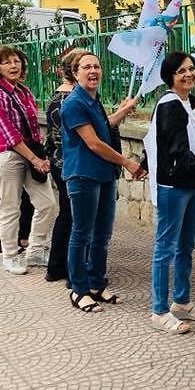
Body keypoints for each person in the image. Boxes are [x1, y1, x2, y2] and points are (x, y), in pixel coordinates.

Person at [60, 51, 140, 312]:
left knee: (102, 234)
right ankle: (78, 289)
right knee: (82, 232)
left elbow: (105, 126)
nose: (93, 71)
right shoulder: (73, 103)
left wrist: (124, 110)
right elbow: (93, 143)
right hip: (83, 175)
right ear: (75, 73)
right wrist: (127, 162)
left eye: (96, 66)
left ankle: (96, 283)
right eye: (86, 67)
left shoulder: (93, 101)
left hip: (104, 175)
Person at [143, 52, 195, 334]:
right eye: (182, 70)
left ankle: (181, 301)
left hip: (189, 184)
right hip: (174, 186)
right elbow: (177, 150)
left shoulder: (186, 104)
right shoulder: (170, 105)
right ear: (170, 76)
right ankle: (159, 309)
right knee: (166, 247)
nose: (189, 74)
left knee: (186, 245)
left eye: (192, 69)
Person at [0, 46, 57, 275]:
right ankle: (10, 254)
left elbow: (34, 129)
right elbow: (9, 133)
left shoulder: (24, 92)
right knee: (10, 206)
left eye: (16, 61)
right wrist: (35, 159)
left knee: (47, 203)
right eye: (7, 62)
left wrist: (41, 156)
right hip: (7, 154)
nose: (13, 66)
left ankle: (35, 249)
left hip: (32, 154)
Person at [44, 49, 82, 283]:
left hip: (59, 159)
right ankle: (63, 267)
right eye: (85, 66)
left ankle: (58, 266)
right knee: (72, 216)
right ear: (74, 71)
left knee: (67, 214)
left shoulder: (56, 96)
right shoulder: (71, 98)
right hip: (70, 162)